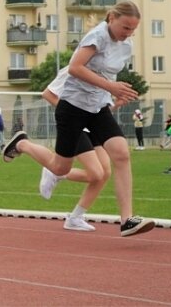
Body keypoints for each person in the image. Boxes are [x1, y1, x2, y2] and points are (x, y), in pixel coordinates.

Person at [2, 1, 156, 237]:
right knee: (59, 166)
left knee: (121, 153)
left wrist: (113, 97)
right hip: (72, 108)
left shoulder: (126, 46)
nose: (129, 34)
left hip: (98, 108)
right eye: (125, 27)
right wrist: (110, 86)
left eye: (133, 29)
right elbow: (75, 68)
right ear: (112, 18)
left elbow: (106, 76)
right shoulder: (97, 37)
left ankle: (127, 220)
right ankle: (22, 144)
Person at [37, 67, 112, 231]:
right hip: (75, 126)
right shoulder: (73, 69)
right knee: (96, 173)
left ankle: (75, 217)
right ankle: (50, 167)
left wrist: (117, 103)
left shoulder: (104, 70)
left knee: (104, 173)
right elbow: (48, 94)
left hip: (93, 125)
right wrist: (73, 114)